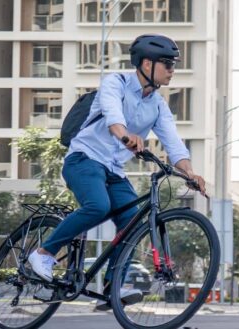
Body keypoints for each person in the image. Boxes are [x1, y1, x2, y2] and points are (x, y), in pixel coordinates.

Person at [27, 34, 207, 309]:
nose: (173, 70)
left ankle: (113, 286)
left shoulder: (158, 105)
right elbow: (113, 117)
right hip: (84, 158)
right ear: (147, 63)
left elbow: (174, 143)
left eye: (174, 65)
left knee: (132, 219)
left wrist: (190, 172)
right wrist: (125, 136)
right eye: (168, 64)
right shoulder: (116, 82)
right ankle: (43, 253)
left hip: (113, 169)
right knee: (98, 206)